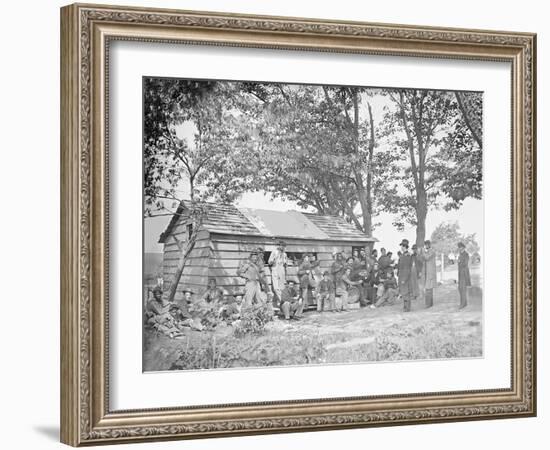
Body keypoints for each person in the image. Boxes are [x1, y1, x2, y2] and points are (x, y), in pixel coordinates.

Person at [397, 239, 414, 312]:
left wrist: (404, 278)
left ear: (405, 246)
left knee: (406, 292)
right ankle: (405, 307)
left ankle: (407, 308)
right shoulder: (403, 255)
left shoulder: (407, 256)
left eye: (402, 246)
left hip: (405, 277)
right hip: (402, 276)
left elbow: (407, 269)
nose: (401, 247)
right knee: (404, 293)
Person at [420, 240, 437, 308]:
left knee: (428, 289)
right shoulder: (427, 252)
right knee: (428, 289)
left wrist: (423, 252)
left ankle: (428, 304)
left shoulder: (432, 251)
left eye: (427, 245)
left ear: (429, 245)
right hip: (427, 273)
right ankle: (430, 303)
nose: (426, 246)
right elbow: (423, 259)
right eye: (425, 245)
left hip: (430, 273)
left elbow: (427, 258)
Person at [457, 242, 471, 309]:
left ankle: (462, 304)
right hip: (460, 273)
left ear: (463, 248)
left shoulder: (466, 254)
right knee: (460, 288)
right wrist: (459, 262)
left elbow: (465, 264)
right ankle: (464, 303)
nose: (459, 249)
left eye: (460, 247)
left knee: (462, 288)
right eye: (459, 248)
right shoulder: (460, 254)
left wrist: (459, 262)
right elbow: (459, 263)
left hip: (464, 273)